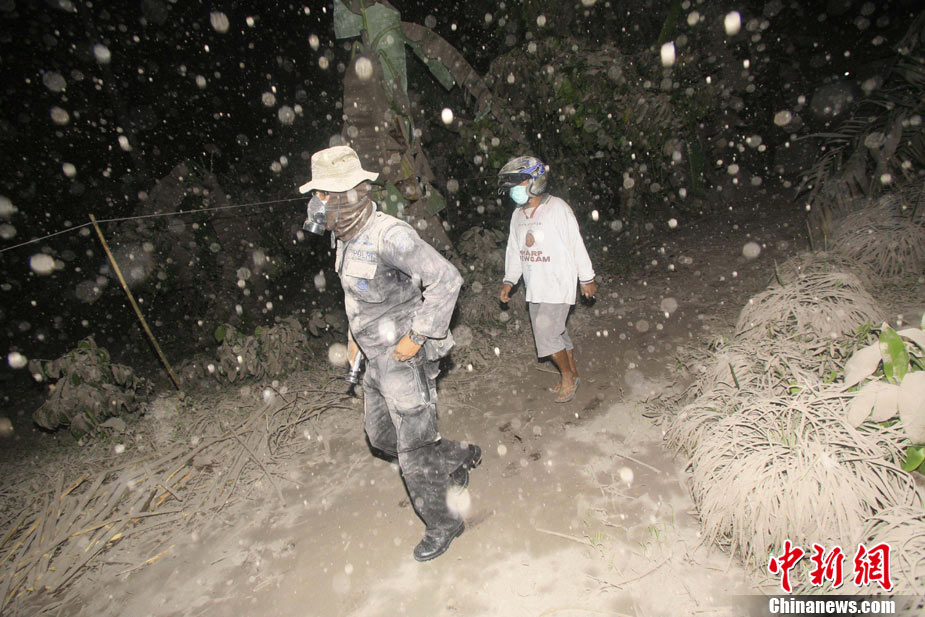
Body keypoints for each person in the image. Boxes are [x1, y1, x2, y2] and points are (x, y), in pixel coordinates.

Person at [298, 145, 481, 561]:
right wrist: (353, 338)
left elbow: (447, 279)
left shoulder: (390, 236)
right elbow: (359, 296)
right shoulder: (344, 235)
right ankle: (457, 456)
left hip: (403, 358)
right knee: (381, 436)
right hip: (374, 357)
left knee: (413, 452)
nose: (317, 202)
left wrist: (418, 335)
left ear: (347, 194)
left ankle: (445, 522)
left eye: (323, 193)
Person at [497, 156, 598, 403]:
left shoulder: (557, 208)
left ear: (536, 181)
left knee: (545, 332)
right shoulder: (517, 216)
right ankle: (573, 372)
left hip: (558, 283)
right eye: (511, 186)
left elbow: (575, 244)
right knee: (556, 333)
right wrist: (509, 281)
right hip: (535, 288)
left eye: (518, 183)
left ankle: (567, 377)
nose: (514, 190)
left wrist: (586, 278)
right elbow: (514, 250)